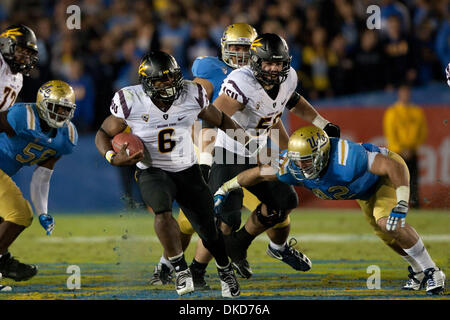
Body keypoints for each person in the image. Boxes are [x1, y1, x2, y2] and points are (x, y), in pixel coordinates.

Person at [214, 125, 446, 296]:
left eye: (307, 160)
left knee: (387, 222)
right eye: (298, 160)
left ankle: (432, 271)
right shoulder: (289, 166)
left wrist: (402, 201)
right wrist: (226, 187)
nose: (301, 165)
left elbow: (392, 165)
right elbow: (256, 174)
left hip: (381, 180)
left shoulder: (346, 158)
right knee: (386, 233)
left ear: (322, 153)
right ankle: (417, 270)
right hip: (362, 192)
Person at [95, 51, 250, 297]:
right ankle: (180, 270)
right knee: (162, 212)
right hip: (152, 170)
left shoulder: (192, 93)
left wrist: (248, 141)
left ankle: (225, 270)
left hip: (187, 170)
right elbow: (102, 133)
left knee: (209, 229)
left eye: (171, 78)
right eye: (161, 80)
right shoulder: (130, 100)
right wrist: (112, 157)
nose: (168, 84)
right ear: (147, 82)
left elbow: (220, 119)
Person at [208, 33, 340, 279]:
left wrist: (322, 122)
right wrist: (241, 137)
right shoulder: (242, 81)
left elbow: (292, 101)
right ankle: (205, 268)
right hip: (228, 153)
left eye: (278, 63)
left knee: (284, 201)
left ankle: (242, 246)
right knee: (227, 217)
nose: (273, 69)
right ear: (255, 61)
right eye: (268, 63)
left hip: (257, 152)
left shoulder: (288, 78)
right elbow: (214, 113)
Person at [150, 23, 261, 290]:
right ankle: (175, 265)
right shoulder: (210, 68)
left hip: (249, 149)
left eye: (245, 48)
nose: (239, 53)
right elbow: (198, 109)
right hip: (215, 147)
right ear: (223, 47)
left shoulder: (264, 72)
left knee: (274, 208)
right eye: (234, 47)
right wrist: (204, 156)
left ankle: (215, 259)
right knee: (201, 219)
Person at [0, 80, 77, 290]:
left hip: (4, 173)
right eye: (57, 108)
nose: (61, 113)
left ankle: (3, 261)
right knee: (19, 214)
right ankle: (2, 262)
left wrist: (43, 211)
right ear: (43, 104)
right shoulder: (21, 116)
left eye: (66, 109)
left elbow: (42, 176)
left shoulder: (66, 138)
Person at [383, 84, 427, 209]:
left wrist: (414, 147)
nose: (405, 95)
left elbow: (423, 131)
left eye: (407, 93)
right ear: (399, 94)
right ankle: (395, 205)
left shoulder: (417, 111)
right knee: (397, 180)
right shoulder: (392, 112)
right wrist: (401, 148)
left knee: (413, 180)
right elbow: (390, 133)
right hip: (397, 152)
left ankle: (414, 204)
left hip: (412, 151)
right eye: (403, 92)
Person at [0, 24, 39, 111]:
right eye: (20, 50)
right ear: (5, 44)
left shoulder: (19, 78)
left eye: (29, 53)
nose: (25, 57)